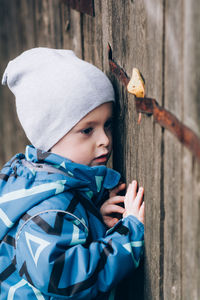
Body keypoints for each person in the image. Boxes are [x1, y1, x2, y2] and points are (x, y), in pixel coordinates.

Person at [0, 48, 145, 299]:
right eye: (87, 130)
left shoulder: (45, 186)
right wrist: (128, 234)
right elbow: (68, 279)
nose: (105, 140)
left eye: (107, 124)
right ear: (52, 137)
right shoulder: (49, 210)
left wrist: (92, 221)